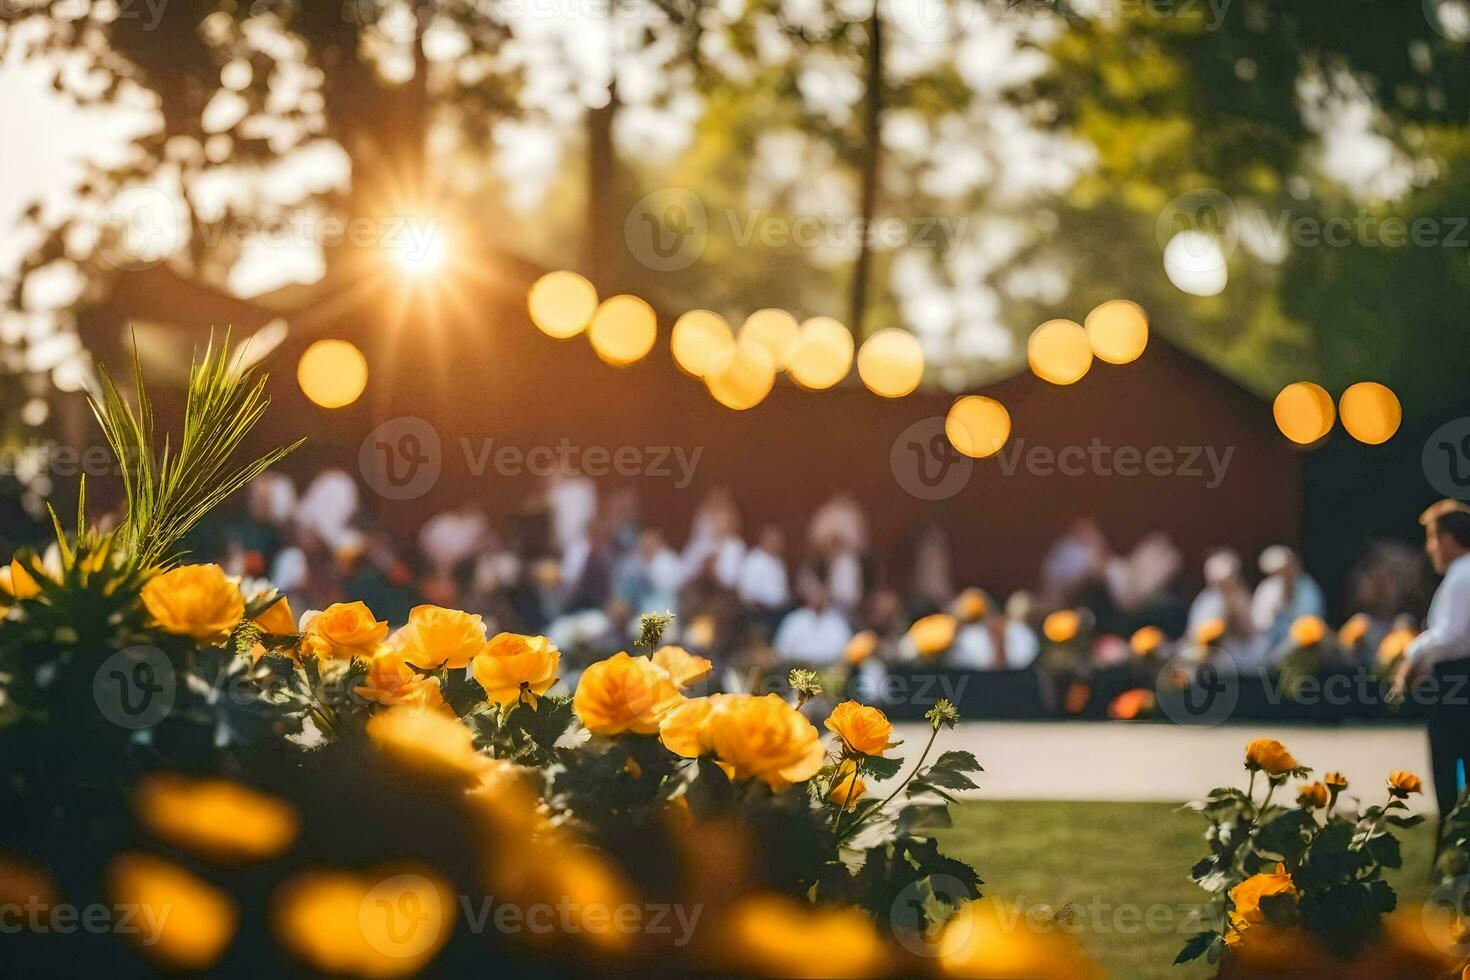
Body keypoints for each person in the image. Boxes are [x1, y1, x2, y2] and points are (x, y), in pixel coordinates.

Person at [1394, 500, 1470, 820]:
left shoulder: (1463, 575)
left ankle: (1453, 846)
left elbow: (1450, 635)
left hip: (1458, 680)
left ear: (1448, 539)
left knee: (1449, 764)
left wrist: (1412, 656)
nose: (1430, 549)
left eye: (1432, 538)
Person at [1251, 545, 1326, 655]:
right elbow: (1260, 624)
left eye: (1287, 568)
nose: (1284, 573)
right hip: (1269, 647)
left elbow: (1310, 625)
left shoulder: (1308, 587)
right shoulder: (1266, 588)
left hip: (1302, 650)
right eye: (1280, 570)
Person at [772, 584, 852, 666]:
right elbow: (782, 649)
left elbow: (845, 652)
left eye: (821, 595)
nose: (817, 599)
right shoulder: (795, 619)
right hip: (797, 669)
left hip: (829, 669)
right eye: (815, 595)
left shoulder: (837, 622)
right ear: (808, 597)